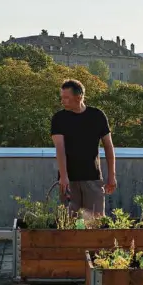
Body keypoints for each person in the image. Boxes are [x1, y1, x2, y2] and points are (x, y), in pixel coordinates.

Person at [51, 79, 116, 215]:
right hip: (69, 180)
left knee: (95, 222)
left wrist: (111, 176)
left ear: (79, 96)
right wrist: (63, 176)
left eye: (66, 98)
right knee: (70, 223)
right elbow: (60, 149)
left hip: (93, 178)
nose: (63, 101)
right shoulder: (59, 118)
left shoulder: (97, 116)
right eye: (61, 97)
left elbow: (109, 147)